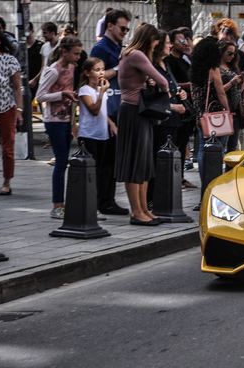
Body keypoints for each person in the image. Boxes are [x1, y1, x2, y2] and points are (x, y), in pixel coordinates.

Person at [115, 23, 169, 226]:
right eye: (155, 41)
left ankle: (144, 208)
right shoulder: (136, 54)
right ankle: (137, 211)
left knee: (144, 163)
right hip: (133, 112)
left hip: (137, 111)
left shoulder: (130, 54)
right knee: (135, 162)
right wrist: (163, 89)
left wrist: (149, 83)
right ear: (149, 39)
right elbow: (162, 81)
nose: (156, 46)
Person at [90, 8, 132, 216]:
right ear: (110, 26)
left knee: (112, 160)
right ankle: (103, 201)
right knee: (106, 160)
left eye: (127, 29)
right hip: (107, 108)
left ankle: (107, 199)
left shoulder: (117, 47)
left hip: (117, 106)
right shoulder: (101, 48)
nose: (126, 31)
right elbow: (94, 77)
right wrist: (118, 68)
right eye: (123, 28)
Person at [36, 37, 82, 219]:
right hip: (53, 121)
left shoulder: (71, 67)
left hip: (66, 119)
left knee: (64, 162)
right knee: (61, 162)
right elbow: (40, 96)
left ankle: (62, 204)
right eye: (76, 53)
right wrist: (61, 94)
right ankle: (57, 205)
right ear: (65, 51)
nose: (78, 57)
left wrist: (73, 120)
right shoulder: (53, 71)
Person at [146, 30, 188, 207]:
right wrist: (173, 105)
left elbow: (172, 87)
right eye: (168, 43)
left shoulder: (165, 64)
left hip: (174, 119)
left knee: (170, 158)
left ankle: (163, 196)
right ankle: (153, 197)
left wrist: (181, 92)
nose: (170, 45)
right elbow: (151, 97)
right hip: (162, 119)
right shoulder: (152, 66)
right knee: (160, 158)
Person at [190, 36, 230, 210]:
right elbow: (220, 92)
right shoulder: (213, 69)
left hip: (200, 115)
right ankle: (212, 188)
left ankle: (203, 189)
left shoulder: (195, 69)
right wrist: (228, 110)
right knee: (217, 152)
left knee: (202, 151)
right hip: (215, 117)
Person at [77, 57, 118, 217]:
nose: (101, 73)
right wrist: (101, 93)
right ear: (87, 73)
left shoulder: (99, 89)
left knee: (103, 171)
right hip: (89, 136)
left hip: (103, 135)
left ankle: (101, 203)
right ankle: (90, 206)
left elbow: (102, 112)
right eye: (96, 70)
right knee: (91, 172)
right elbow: (94, 110)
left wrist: (110, 123)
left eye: (102, 69)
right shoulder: (85, 90)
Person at [0, 26, 22, 195]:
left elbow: (18, 88)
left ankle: (7, 181)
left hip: (6, 106)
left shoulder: (9, 60)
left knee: (7, 146)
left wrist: (19, 109)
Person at [166, 27, 197, 189]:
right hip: (178, 105)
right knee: (177, 142)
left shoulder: (186, 58)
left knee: (184, 140)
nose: (184, 42)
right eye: (180, 40)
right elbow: (172, 83)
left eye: (185, 39)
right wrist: (189, 85)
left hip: (188, 106)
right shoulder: (169, 60)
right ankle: (174, 176)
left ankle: (181, 176)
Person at [219, 40, 244, 153]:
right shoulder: (216, 69)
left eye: (234, 54)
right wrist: (232, 83)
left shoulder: (232, 67)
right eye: (229, 53)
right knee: (221, 145)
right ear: (221, 52)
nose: (232, 56)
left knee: (232, 147)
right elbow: (217, 91)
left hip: (235, 111)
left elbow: (238, 90)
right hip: (223, 111)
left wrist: (241, 83)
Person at [26, 22, 43, 100]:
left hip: (38, 83)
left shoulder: (40, 46)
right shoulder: (20, 48)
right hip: (25, 83)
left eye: (27, 30)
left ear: (32, 31)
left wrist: (36, 79)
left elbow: (44, 66)